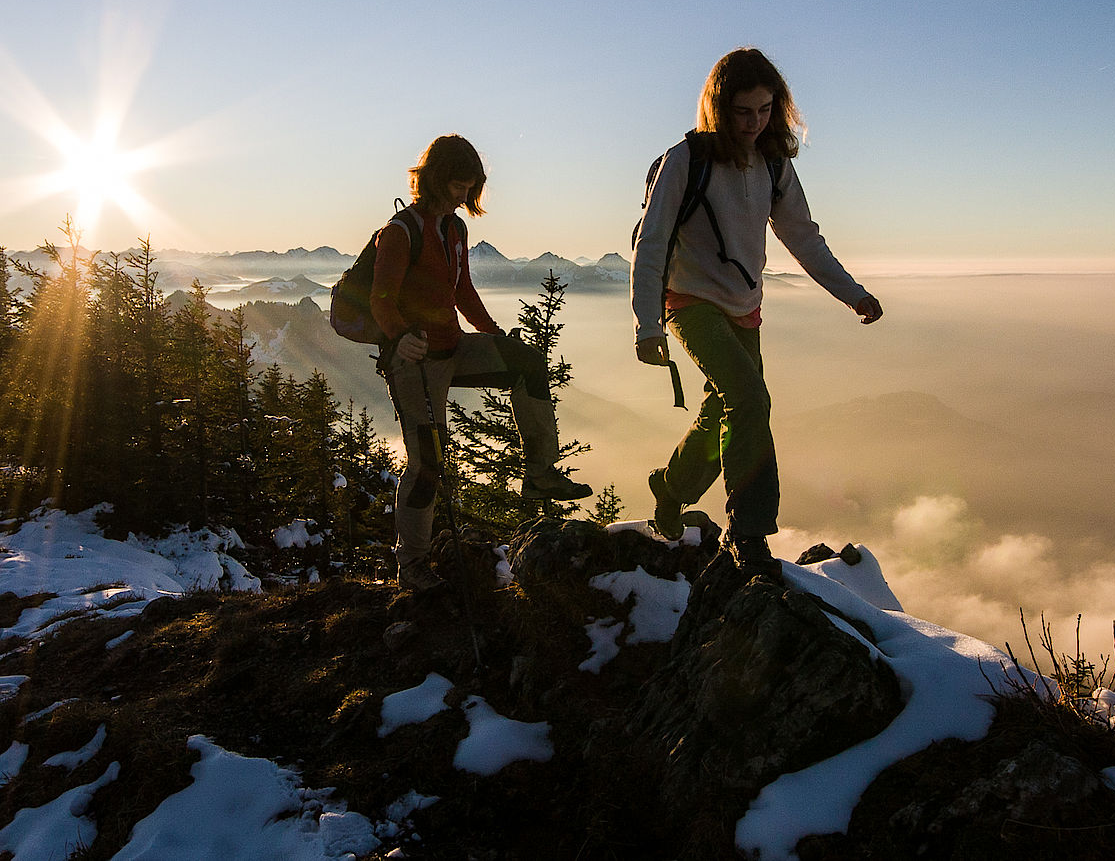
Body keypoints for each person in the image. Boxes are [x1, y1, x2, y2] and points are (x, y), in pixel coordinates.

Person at [631, 48, 882, 577]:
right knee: (749, 398)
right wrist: (647, 324)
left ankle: (671, 487)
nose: (755, 122)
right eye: (744, 112)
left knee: (722, 411)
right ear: (719, 109)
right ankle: (749, 530)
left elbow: (804, 239)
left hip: (744, 307)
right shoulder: (687, 159)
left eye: (766, 110)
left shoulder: (773, 164)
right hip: (689, 301)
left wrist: (853, 293)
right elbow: (651, 242)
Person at [373, 133, 591, 591]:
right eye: (457, 185)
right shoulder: (398, 233)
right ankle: (411, 566)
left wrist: (493, 335)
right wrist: (399, 338)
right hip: (415, 362)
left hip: (453, 348)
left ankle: (540, 473)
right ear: (433, 179)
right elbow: (380, 300)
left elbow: (462, 291)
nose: (463, 195)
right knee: (427, 464)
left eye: (470, 187)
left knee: (526, 362)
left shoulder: (455, 230)